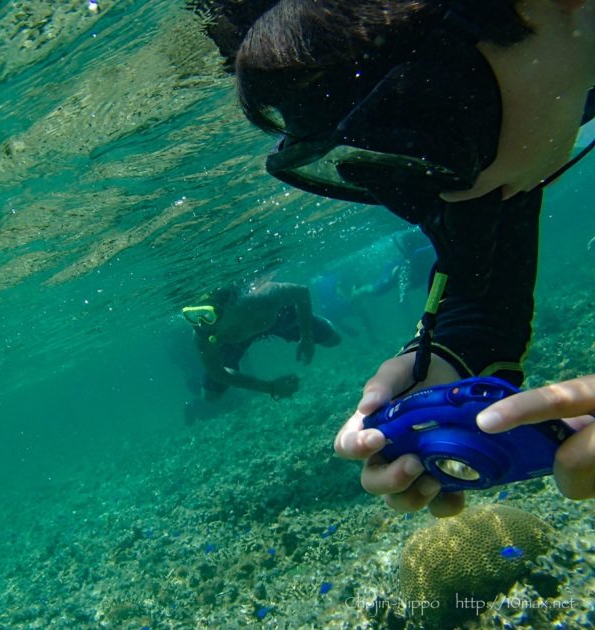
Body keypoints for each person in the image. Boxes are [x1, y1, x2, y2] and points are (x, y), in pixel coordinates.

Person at [192, 0, 595, 510]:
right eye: (383, 168)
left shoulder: (500, 136)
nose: (434, 197)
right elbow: (481, 291)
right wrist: (448, 361)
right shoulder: (498, 134)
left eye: (426, 127)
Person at [181, 281, 340, 403]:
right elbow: (218, 373)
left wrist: (307, 337)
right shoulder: (203, 333)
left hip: (276, 319)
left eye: (209, 314)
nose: (201, 323)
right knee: (210, 396)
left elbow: (302, 292)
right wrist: (270, 387)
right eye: (194, 315)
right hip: (233, 342)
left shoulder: (263, 298)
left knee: (333, 340)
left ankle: (319, 322)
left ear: (230, 303)